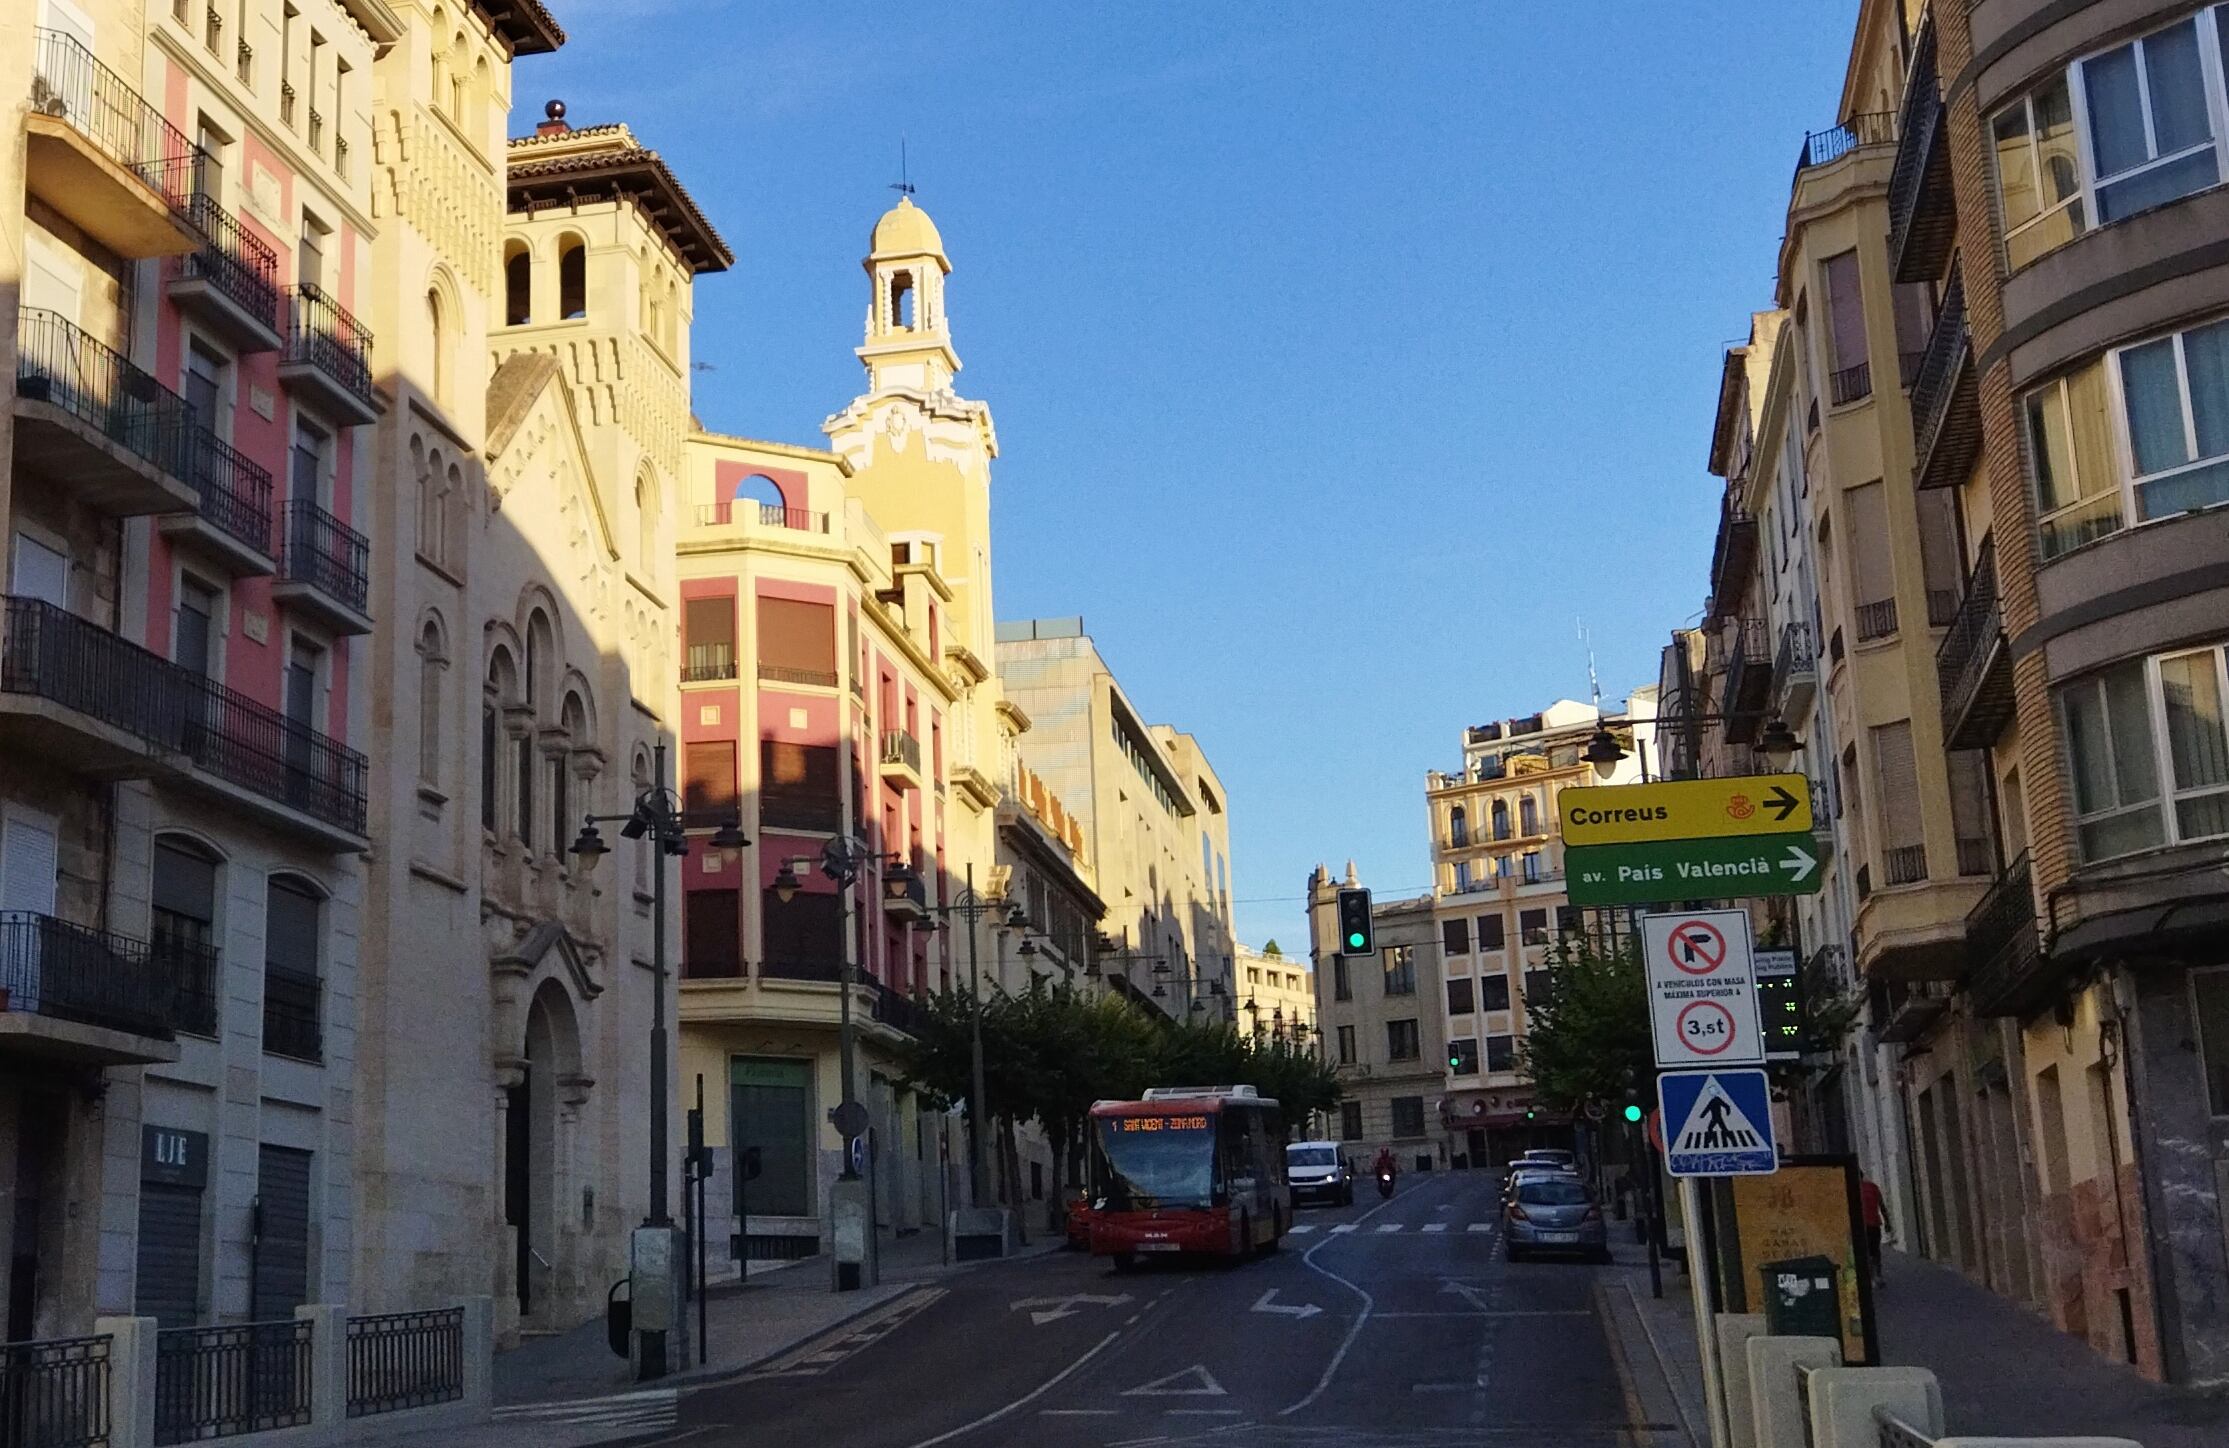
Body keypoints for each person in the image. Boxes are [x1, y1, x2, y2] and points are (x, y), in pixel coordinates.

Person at [1859, 1174, 1890, 1285]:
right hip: (1874, 1224)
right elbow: (1882, 1205)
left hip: (1861, 1226)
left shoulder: (1852, 1188)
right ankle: (1877, 1275)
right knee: (1875, 1251)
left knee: (1866, 1252)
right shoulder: (1873, 1187)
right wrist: (1887, 1222)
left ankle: (1872, 1276)